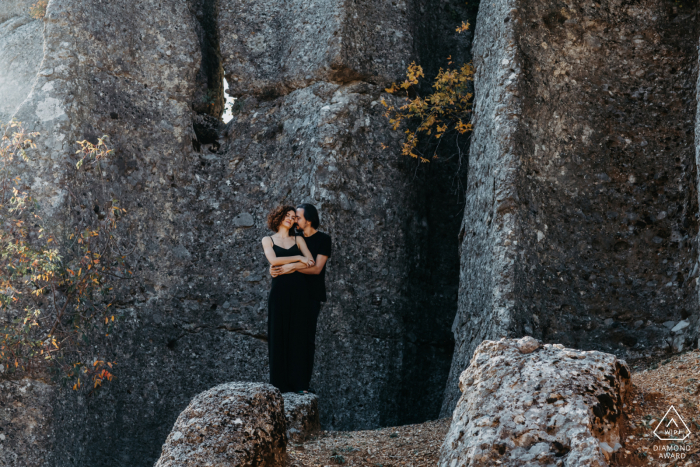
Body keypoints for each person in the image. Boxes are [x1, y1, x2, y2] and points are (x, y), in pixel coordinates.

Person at [270, 203, 331, 393]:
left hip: (312, 295)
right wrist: (275, 268)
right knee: (290, 337)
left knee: (307, 340)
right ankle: (289, 382)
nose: (295, 220)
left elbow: (317, 268)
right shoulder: (295, 238)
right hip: (293, 294)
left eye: (298, 217)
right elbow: (280, 256)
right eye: (294, 217)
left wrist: (293, 267)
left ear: (309, 219)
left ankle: (303, 383)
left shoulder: (323, 239)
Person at [261, 205, 315, 393]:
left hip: (299, 291)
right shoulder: (267, 239)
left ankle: (300, 385)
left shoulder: (298, 238)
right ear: (278, 216)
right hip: (279, 293)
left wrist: (290, 267)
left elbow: (311, 261)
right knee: (278, 336)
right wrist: (298, 259)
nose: (290, 219)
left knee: (298, 336)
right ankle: (279, 386)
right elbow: (274, 261)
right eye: (287, 215)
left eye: (293, 217)